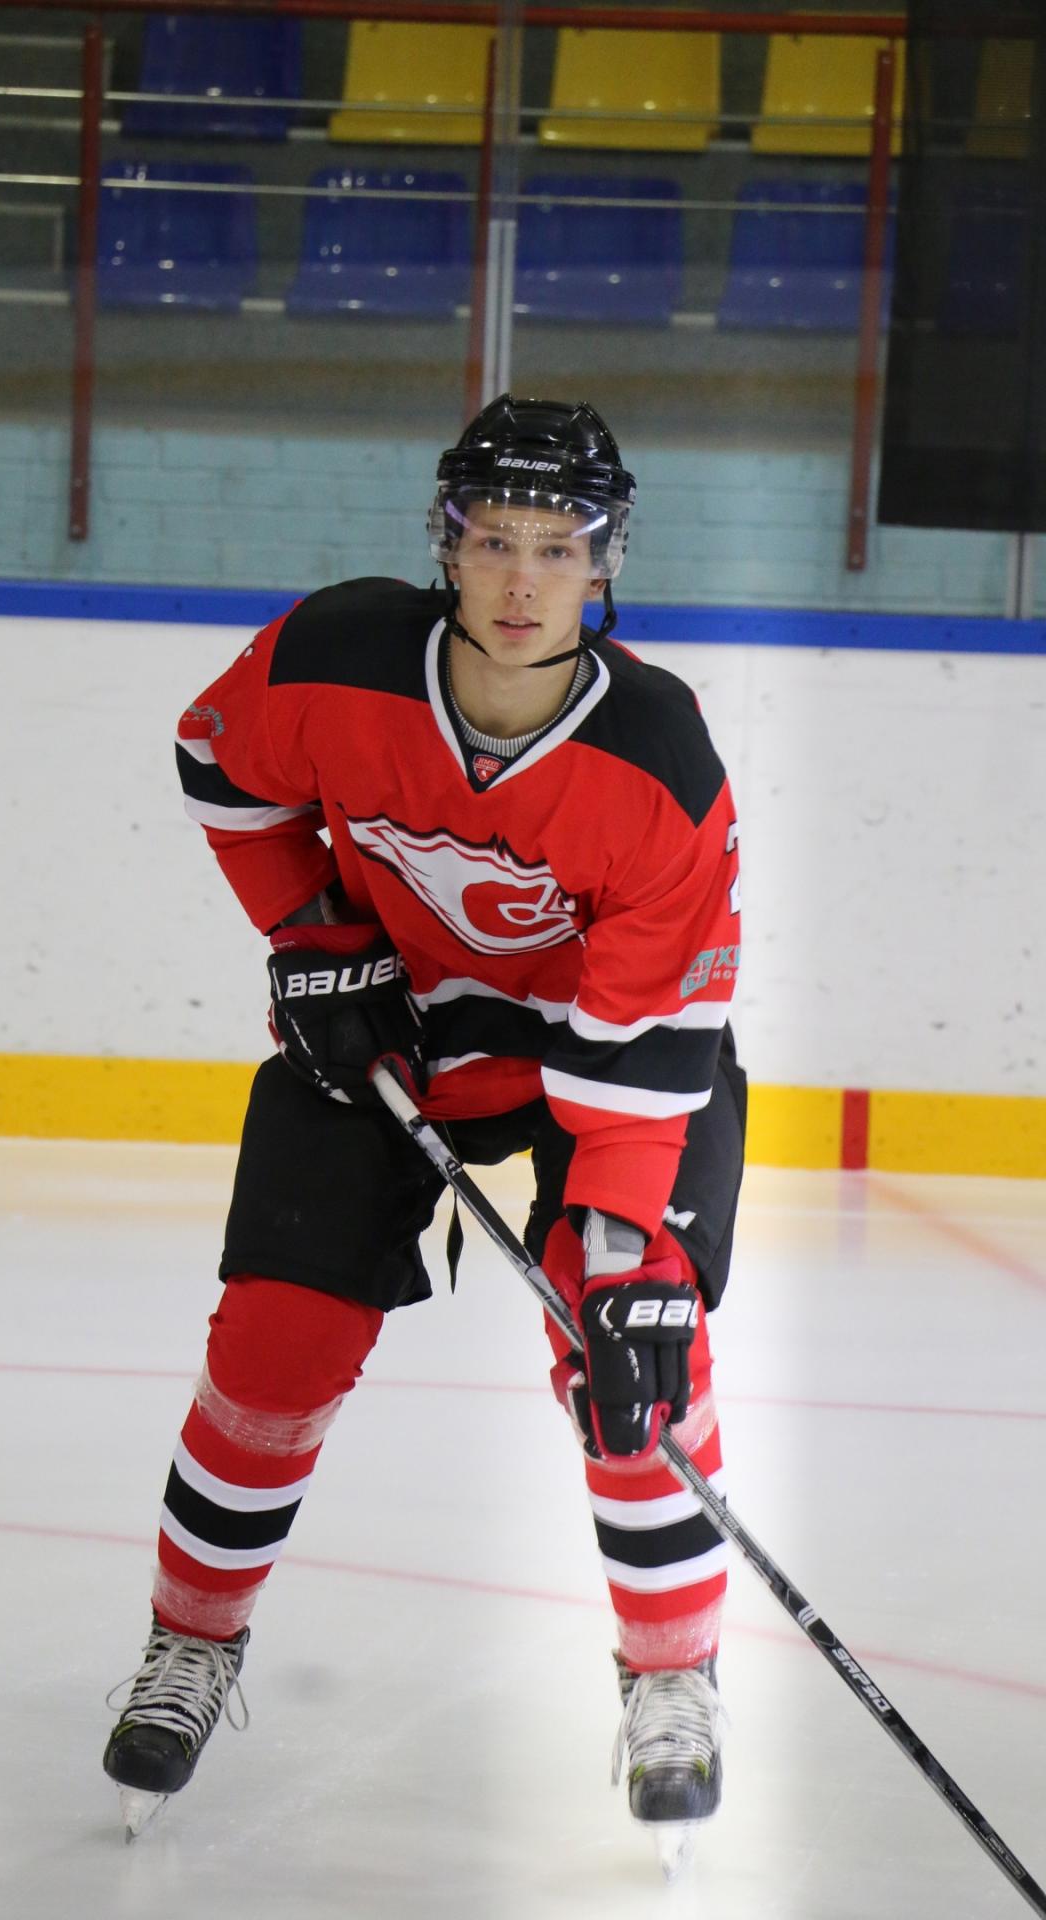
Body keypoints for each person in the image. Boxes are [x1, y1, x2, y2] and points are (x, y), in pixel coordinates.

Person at [103, 394, 747, 1862]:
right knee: (275, 1339)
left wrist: (624, 1247)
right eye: (494, 541)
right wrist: (312, 931)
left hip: (607, 1067)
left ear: (606, 562)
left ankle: (672, 1676)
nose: (524, 583)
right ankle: (190, 1644)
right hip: (393, 1039)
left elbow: (652, 1030)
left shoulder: (657, 756)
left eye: (559, 550)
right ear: (446, 544)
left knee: (637, 1344)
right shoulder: (333, 658)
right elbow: (219, 767)